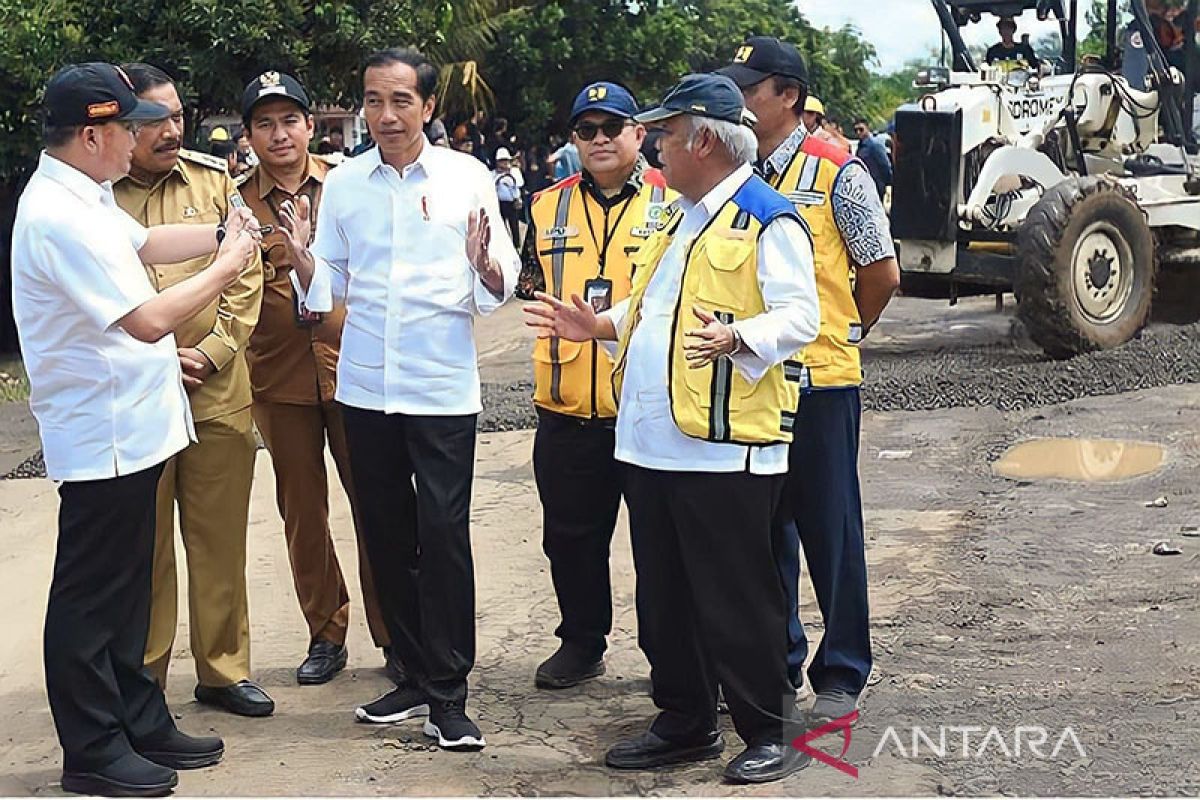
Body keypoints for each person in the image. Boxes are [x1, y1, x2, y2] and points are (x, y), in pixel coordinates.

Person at [526, 73, 819, 784]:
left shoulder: (764, 215)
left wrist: (739, 338)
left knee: (736, 595)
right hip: (652, 444)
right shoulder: (680, 216)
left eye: (665, 133)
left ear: (705, 139)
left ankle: (767, 730)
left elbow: (801, 316)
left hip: (722, 446)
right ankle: (684, 720)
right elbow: (652, 308)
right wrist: (596, 325)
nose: (654, 145)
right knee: (665, 597)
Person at [12, 62, 259, 796]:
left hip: (136, 428)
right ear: (93, 135)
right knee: (92, 598)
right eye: (131, 126)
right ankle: (91, 748)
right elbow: (149, 320)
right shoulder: (55, 214)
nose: (146, 138)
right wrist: (232, 260)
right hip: (103, 435)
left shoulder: (85, 195)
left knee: (128, 595)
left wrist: (220, 228)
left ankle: (137, 716)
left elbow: (147, 246)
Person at [283, 47, 519, 751]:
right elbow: (328, 285)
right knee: (386, 533)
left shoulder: (465, 177)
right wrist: (302, 262)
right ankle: (412, 673)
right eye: (373, 101)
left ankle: (450, 691)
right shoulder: (347, 184)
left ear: (429, 107)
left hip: (439, 386)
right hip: (364, 385)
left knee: (442, 536)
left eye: (400, 101)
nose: (385, 115)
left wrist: (486, 266)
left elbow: (499, 275)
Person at [720, 37, 900, 725]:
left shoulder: (838, 172)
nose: (737, 99)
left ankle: (845, 667)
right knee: (766, 532)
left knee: (831, 528)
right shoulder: (737, 173)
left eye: (749, 87)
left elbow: (879, 273)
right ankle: (780, 658)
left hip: (821, 382)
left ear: (787, 96)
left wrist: (846, 332)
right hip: (754, 379)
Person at [113, 63, 270, 719]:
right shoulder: (98, 195)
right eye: (154, 119)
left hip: (215, 394)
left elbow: (245, 271)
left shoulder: (213, 182)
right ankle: (142, 679)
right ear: (121, 124)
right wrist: (145, 358)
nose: (171, 129)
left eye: (177, 115)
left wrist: (209, 353)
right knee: (139, 550)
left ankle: (223, 672)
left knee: (219, 541)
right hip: (136, 399)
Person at [237, 71, 395, 687]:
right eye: (264, 124)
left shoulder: (348, 186)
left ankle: (394, 632)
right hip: (276, 378)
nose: (279, 135)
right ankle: (326, 632)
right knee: (302, 511)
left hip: (353, 369)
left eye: (289, 121)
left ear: (310, 124)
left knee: (376, 504)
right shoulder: (237, 202)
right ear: (249, 135)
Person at [516, 81, 673, 689]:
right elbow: (529, 281)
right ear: (574, 139)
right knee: (571, 539)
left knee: (661, 548)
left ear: (640, 133)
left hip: (646, 406)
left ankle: (671, 660)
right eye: (588, 130)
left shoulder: (674, 201)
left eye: (613, 127)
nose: (601, 139)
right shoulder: (544, 205)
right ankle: (582, 642)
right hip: (565, 406)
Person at [852, 118, 892, 200]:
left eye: (861, 129)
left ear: (867, 128)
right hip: (864, 186)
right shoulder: (860, 146)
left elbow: (884, 165)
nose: (858, 132)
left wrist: (887, 183)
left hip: (876, 186)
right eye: (856, 130)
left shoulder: (874, 145)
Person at [492, 146, 524, 246]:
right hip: (499, 203)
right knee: (501, 227)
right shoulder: (493, 173)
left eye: (506, 160)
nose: (504, 163)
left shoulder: (514, 172)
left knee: (514, 226)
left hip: (512, 202)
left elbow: (519, 184)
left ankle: (517, 246)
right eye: (502, 160)